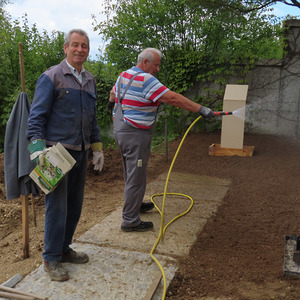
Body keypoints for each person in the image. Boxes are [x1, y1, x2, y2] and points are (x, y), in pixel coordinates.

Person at [108, 48, 215, 232]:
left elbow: (112, 94)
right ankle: (129, 220)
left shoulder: (125, 74)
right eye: (156, 65)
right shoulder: (146, 79)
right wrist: (200, 109)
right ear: (145, 63)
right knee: (136, 174)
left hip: (122, 129)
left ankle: (135, 204)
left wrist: (114, 108)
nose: (157, 69)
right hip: (135, 134)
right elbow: (172, 98)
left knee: (132, 172)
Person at [27, 29, 104, 281]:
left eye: (84, 45)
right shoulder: (51, 77)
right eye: (75, 45)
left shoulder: (90, 80)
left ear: (88, 50)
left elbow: (92, 119)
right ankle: (51, 258)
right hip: (55, 154)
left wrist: (97, 148)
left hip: (80, 153)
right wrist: (36, 148)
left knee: (74, 206)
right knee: (56, 207)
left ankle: (64, 248)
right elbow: (35, 117)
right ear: (65, 48)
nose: (80, 49)